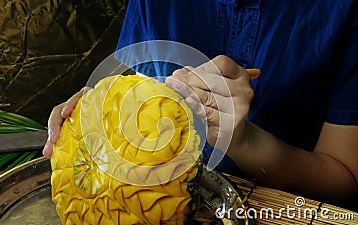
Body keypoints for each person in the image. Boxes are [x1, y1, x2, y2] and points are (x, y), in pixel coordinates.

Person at [43, 0, 358, 207]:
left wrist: (244, 142)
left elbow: (346, 182)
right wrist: (107, 105)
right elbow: (142, 85)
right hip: (159, 200)